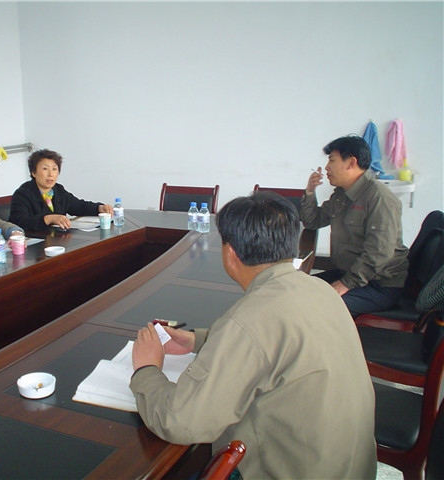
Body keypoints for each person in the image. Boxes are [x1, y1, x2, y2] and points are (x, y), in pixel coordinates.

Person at [129, 192, 377, 479]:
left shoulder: (249, 319)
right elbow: (274, 345)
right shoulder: (319, 288)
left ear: (230, 253)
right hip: (348, 466)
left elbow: (180, 423)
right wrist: (198, 340)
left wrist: (146, 369)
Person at [300, 135, 409, 317]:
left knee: (319, 307)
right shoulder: (341, 195)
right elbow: (313, 221)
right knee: (296, 290)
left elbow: (379, 252)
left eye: (332, 160)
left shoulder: (379, 198)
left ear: (351, 163)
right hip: (348, 274)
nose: (326, 167)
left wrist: (345, 284)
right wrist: (310, 192)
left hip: (379, 284)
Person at [8, 149, 113, 231]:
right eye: (45, 169)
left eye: (54, 169)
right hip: (35, 245)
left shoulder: (58, 190)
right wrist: (49, 218)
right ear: (33, 172)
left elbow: (79, 206)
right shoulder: (23, 194)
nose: (51, 174)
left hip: (58, 240)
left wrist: (99, 208)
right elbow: (18, 222)